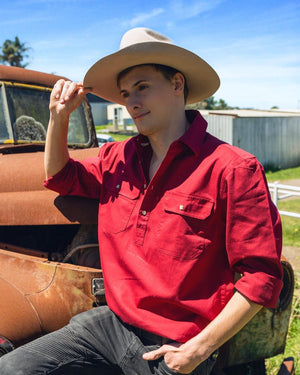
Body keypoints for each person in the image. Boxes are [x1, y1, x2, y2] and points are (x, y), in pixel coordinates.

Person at [0, 27, 283, 375]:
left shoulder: (233, 168)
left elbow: (261, 277)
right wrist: (58, 118)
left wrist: (198, 350)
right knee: (14, 367)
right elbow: (60, 177)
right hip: (112, 323)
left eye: (142, 87)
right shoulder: (118, 157)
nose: (131, 102)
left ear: (177, 84)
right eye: (125, 93)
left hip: (181, 341)